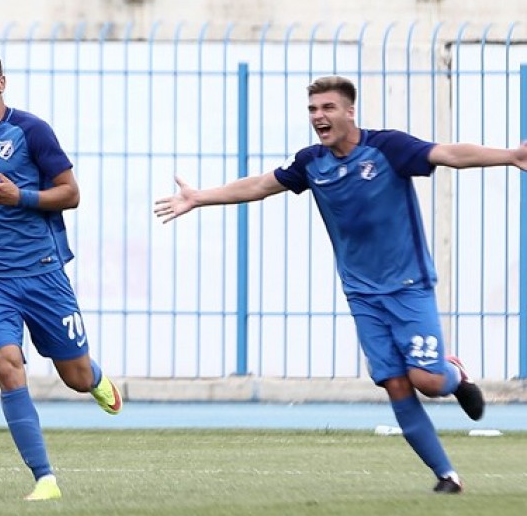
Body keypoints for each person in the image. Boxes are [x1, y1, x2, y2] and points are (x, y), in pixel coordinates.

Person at [155, 75, 527, 494]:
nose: (319, 116)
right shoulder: (311, 162)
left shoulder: (387, 147)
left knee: (426, 379)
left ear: (350, 111)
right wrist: (199, 197)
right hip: (362, 294)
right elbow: (260, 185)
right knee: (395, 383)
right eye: (313, 109)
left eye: (327, 107)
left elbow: (449, 154)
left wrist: (510, 156)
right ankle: (447, 476)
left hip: (408, 285)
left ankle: (453, 375)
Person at [0, 46, 122, 501]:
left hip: (41, 271)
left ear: (1, 83)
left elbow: (70, 193)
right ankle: (45, 478)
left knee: (74, 376)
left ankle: (94, 378)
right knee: (6, 364)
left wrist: (21, 197)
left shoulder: (32, 131)